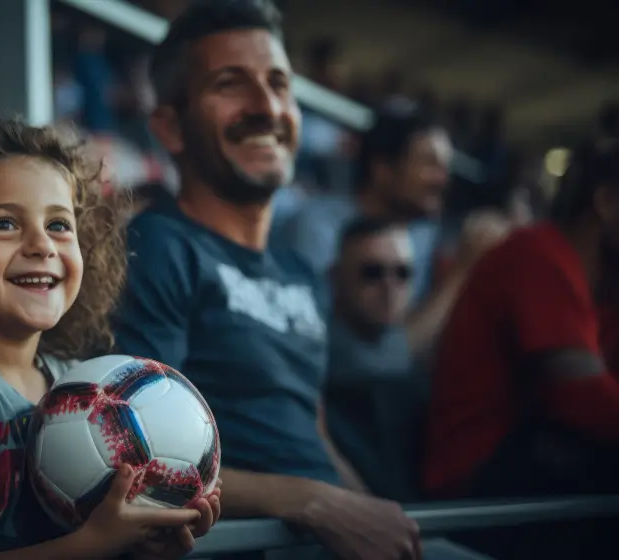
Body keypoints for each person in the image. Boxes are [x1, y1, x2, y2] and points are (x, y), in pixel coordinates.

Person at [112, 1, 463, 559]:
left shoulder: (301, 273)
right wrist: (309, 502)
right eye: (231, 84)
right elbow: (140, 454)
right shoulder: (157, 247)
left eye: (279, 83)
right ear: (170, 127)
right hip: (256, 538)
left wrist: (378, 515)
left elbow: (312, 431)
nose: (267, 106)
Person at [0, 116, 221, 559]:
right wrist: (93, 545)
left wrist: (145, 539)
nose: (41, 245)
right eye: (5, 224)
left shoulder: (81, 384)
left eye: (59, 225)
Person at [423, 141, 619, 558]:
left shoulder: (602, 290)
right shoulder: (536, 254)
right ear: (606, 201)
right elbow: (583, 401)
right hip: (475, 486)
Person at [273, 107, 509, 358]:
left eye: (445, 167)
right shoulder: (318, 226)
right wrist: (462, 271)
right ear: (383, 170)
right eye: (430, 164)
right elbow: (351, 355)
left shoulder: (422, 234)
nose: (443, 179)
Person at [323, 218, 424, 502]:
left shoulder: (406, 349)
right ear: (336, 277)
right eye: (372, 272)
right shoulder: (317, 354)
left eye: (402, 272)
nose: (389, 286)